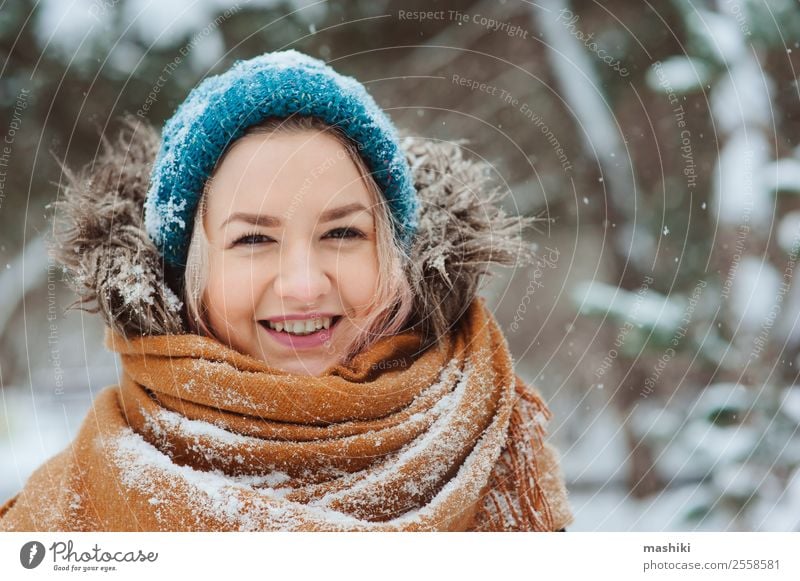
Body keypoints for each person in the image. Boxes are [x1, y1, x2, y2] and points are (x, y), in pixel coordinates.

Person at [0, 50, 573, 531]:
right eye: (253, 239)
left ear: (394, 253)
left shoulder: (500, 457)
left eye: (344, 232)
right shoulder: (66, 519)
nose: (302, 285)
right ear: (186, 270)